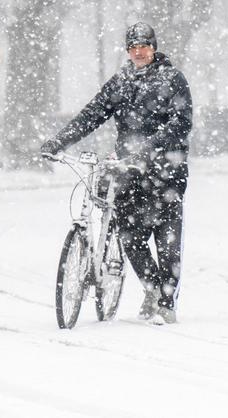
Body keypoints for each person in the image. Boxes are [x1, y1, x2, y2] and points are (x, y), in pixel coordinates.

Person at [40, 22, 192, 325]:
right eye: (133, 47)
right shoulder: (121, 82)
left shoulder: (172, 79)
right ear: (127, 50)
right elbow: (91, 114)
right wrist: (59, 140)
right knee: (130, 237)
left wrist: (149, 147)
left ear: (154, 47)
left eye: (145, 46)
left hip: (166, 174)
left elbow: (181, 123)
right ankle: (151, 287)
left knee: (167, 241)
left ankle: (166, 302)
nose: (139, 52)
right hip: (129, 172)